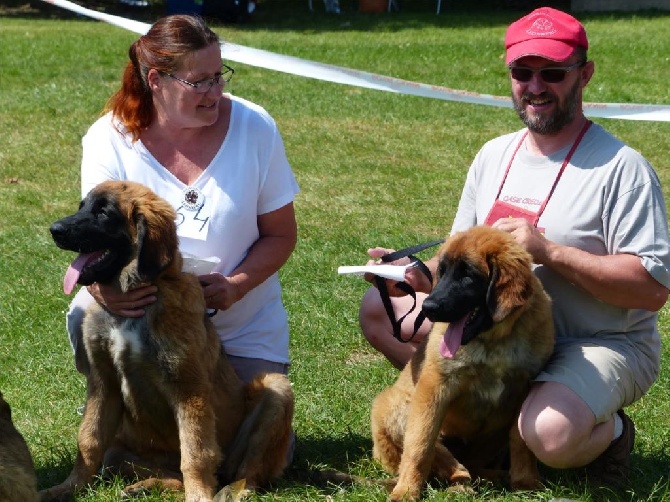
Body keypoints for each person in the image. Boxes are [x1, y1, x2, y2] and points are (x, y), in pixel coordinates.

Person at [358, 6, 670, 486]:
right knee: (379, 310)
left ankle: (608, 432)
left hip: (597, 341)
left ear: (584, 75)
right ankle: (478, 420)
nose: (536, 85)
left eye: (553, 73)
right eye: (523, 72)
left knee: (549, 433)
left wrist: (551, 252)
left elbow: (651, 291)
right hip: (500, 326)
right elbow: (458, 248)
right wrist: (419, 272)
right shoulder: (493, 154)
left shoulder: (621, 169)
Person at [65, 14, 299, 388]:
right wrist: (102, 290)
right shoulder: (109, 138)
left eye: (219, 76)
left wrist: (235, 285)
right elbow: (96, 234)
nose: (215, 91)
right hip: (142, 314)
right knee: (85, 315)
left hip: (239, 325)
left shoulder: (255, 126)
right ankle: (115, 399)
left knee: (249, 439)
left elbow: (281, 235)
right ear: (156, 80)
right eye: (199, 82)